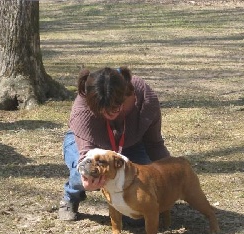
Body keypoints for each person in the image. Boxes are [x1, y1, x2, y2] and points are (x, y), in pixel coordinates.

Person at [60, 66, 170, 221]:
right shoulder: (82, 108)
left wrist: (171, 172)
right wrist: (87, 177)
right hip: (88, 145)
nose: (107, 114)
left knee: (142, 185)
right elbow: (86, 154)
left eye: (114, 108)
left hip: (131, 145)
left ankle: (124, 202)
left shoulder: (146, 100)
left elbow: (154, 144)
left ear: (127, 94)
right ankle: (70, 197)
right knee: (84, 173)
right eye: (100, 111)